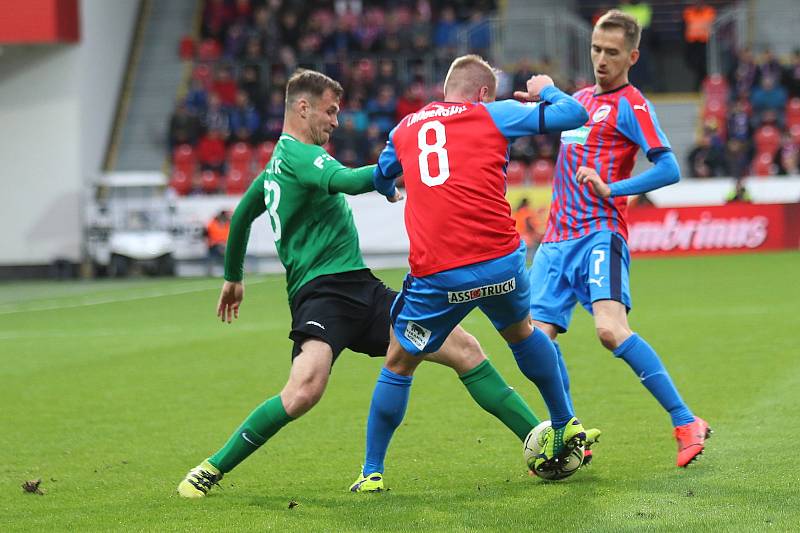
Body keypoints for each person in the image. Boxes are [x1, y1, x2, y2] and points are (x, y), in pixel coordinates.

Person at [177, 69, 546, 498]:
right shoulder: (299, 156)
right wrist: (404, 163)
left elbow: (241, 216)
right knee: (303, 392)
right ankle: (210, 468)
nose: (336, 121)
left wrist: (232, 277)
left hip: (360, 287)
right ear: (303, 107)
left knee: (464, 348)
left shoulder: (275, 167)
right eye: (330, 111)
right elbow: (349, 182)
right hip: (321, 297)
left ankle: (541, 441)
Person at [351, 55, 597, 492]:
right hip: (500, 262)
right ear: (483, 93)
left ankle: (372, 472)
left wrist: (392, 189)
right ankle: (564, 422)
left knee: (399, 361)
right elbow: (576, 115)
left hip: (439, 276)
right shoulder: (492, 114)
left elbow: (382, 176)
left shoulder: (404, 128)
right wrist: (545, 89)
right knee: (522, 333)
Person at [528, 10, 711, 468]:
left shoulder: (633, 104)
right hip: (554, 243)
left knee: (610, 331)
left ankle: (686, 420)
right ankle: (570, 433)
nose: (601, 60)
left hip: (598, 235)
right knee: (537, 344)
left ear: (632, 56)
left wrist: (615, 189)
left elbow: (668, 167)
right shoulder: (579, 101)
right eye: (595, 49)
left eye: (612, 52)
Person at [206, 210, 231, 276]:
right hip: (213, 245)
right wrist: (220, 243)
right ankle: (213, 271)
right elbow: (211, 235)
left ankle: (228, 270)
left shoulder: (228, 224)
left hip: (224, 245)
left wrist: (224, 243)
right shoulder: (213, 223)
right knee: (221, 250)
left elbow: (228, 235)